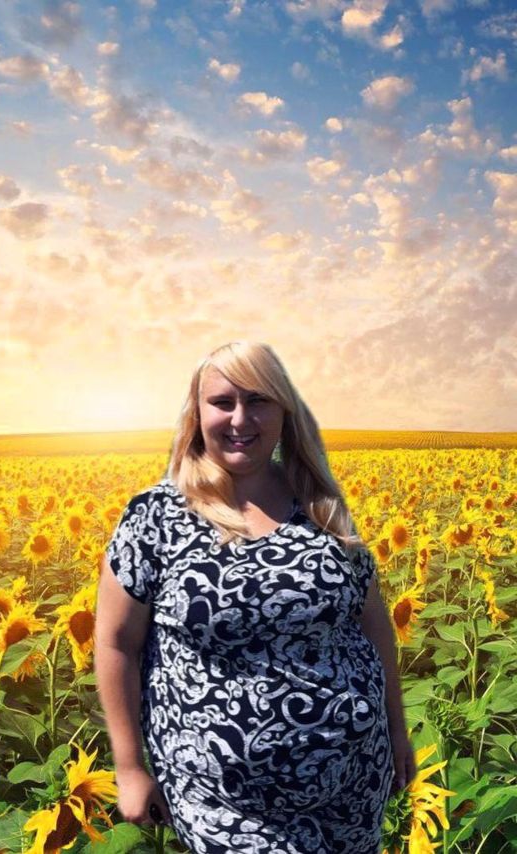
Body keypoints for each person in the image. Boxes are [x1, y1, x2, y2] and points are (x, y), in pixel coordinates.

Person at [94, 341, 416, 854]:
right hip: (226, 799)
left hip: (352, 785)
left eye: (258, 400)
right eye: (222, 402)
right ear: (197, 415)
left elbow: (371, 625)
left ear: (284, 412)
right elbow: (116, 643)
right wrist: (130, 766)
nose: (240, 418)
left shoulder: (320, 506)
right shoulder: (157, 516)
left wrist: (397, 731)